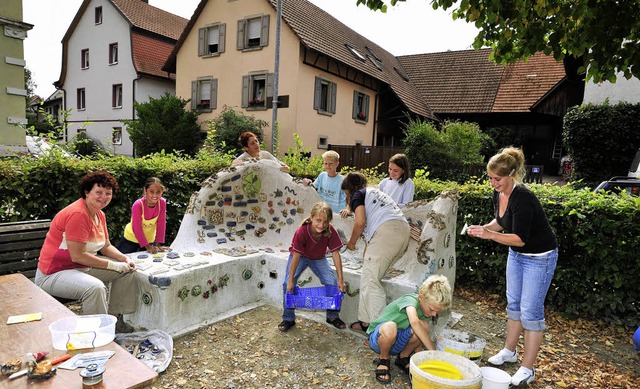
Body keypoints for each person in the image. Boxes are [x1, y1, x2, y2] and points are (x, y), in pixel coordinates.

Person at [467, 146, 558, 387]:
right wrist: (484, 229)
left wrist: (490, 236)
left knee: (531, 312)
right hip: (517, 255)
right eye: (490, 177)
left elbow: (520, 237)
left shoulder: (524, 198)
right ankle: (510, 351)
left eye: (497, 179)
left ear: (512, 176)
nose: (492, 183)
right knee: (514, 305)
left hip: (540, 257)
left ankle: (528, 369)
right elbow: (501, 222)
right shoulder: (499, 194)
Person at [35, 171, 139, 333]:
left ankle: (112, 321)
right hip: (53, 274)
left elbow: (105, 246)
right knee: (95, 288)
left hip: (81, 268)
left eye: (108, 193)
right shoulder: (78, 214)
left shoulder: (99, 214)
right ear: (86, 192)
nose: (103, 197)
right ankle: (95, 334)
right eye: (98, 192)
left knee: (128, 272)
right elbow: (78, 255)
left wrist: (124, 259)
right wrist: (113, 265)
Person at [341, 172, 410, 333]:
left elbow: (360, 222)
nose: (347, 197)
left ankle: (380, 331)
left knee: (371, 281)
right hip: (401, 232)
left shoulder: (358, 194)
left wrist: (351, 242)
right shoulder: (375, 193)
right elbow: (371, 231)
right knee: (368, 276)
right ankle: (366, 322)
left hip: (387, 233)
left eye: (346, 194)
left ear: (350, 189)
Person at [367, 274, 452, 384]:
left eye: (437, 312)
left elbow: (419, 335)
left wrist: (422, 360)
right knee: (391, 327)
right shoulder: (410, 300)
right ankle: (384, 358)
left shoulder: (426, 311)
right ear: (421, 297)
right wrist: (433, 352)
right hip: (379, 339)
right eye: (432, 309)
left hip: (397, 342)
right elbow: (414, 322)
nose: (434, 314)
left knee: (424, 326)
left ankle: (403, 357)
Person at [279, 202, 347, 332]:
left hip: (318, 258)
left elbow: (336, 254)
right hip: (300, 256)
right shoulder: (302, 231)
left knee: (332, 283)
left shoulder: (330, 230)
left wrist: (340, 279)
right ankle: (288, 318)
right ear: (311, 217)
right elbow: (296, 256)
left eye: (325, 222)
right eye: (318, 220)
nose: (321, 225)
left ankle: (332, 316)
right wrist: (290, 280)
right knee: (286, 285)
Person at [117, 177, 169, 254]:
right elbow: (137, 228)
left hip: (149, 239)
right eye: (151, 192)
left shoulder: (162, 203)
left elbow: (161, 224)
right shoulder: (138, 205)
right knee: (123, 260)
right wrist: (147, 247)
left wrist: (158, 244)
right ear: (145, 190)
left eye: (158, 192)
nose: (155, 195)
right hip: (131, 239)